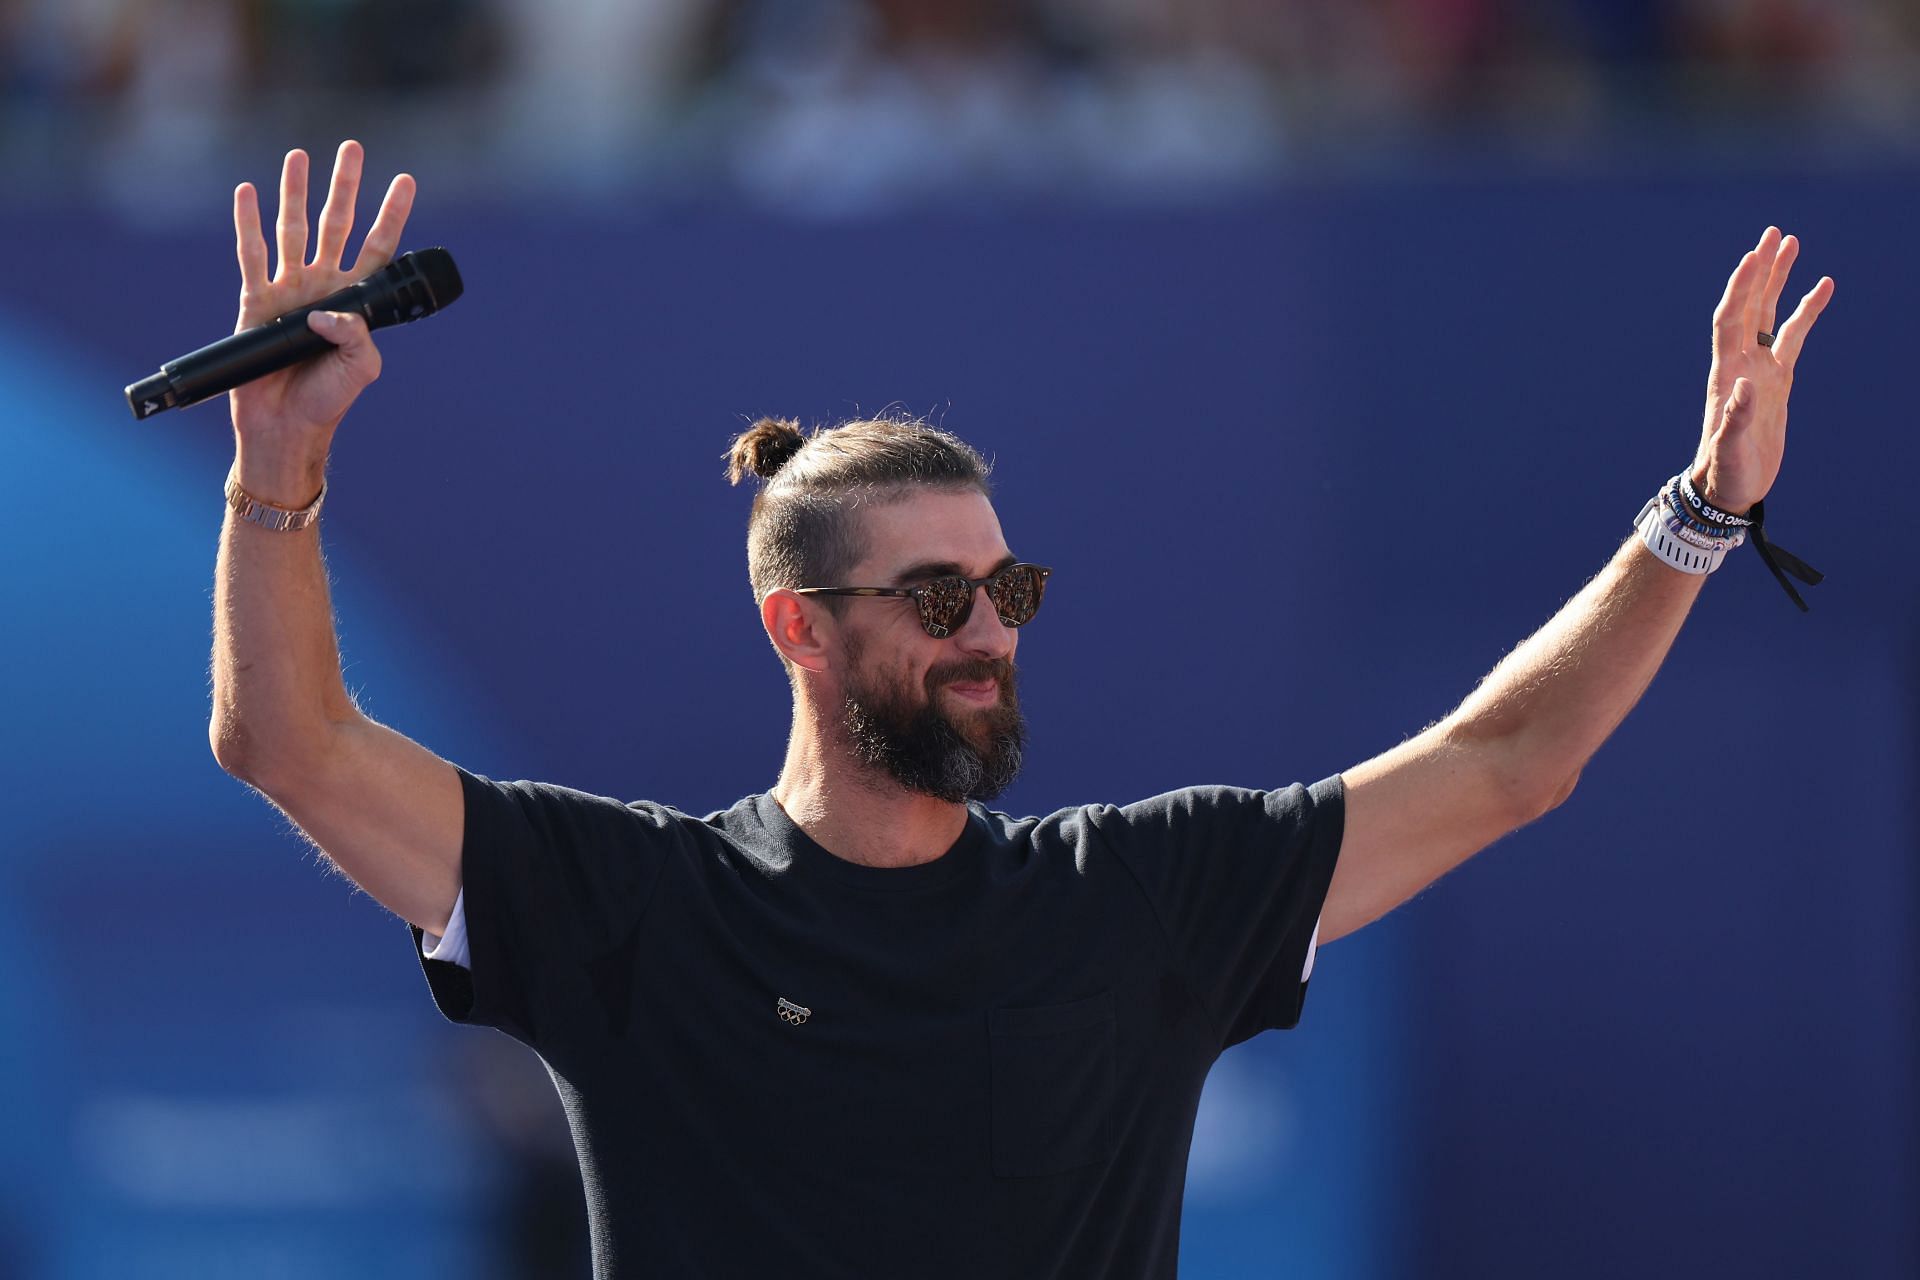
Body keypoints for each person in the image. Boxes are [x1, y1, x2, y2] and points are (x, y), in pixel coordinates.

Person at [209, 140, 1835, 1279]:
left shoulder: (1141, 897)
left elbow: (1506, 764)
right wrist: (275, 469)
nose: (987, 634)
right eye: (934, 600)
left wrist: (1697, 509)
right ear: (799, 629)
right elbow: (289, 745)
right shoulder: (636, 907)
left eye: (1007, 591)